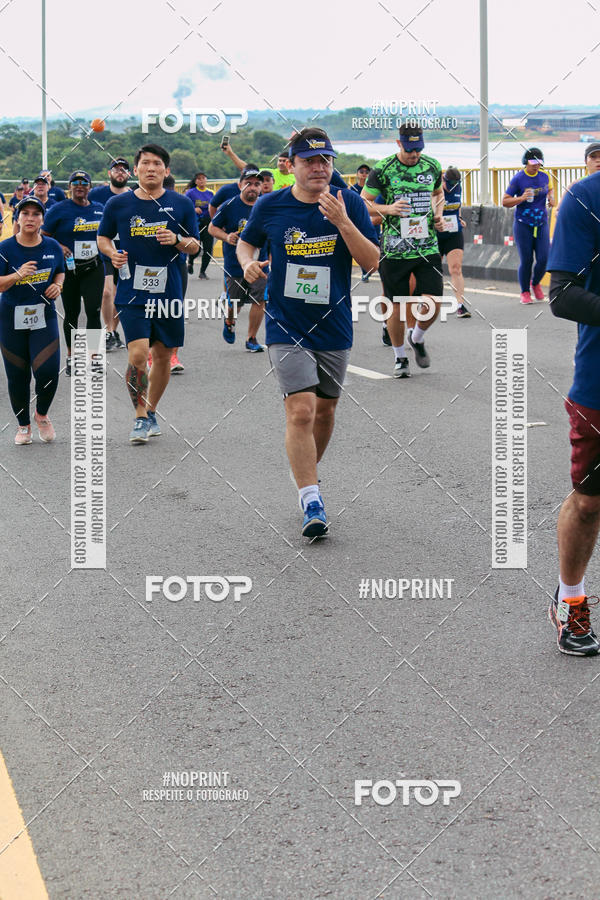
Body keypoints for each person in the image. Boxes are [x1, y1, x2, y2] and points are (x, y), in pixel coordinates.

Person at [237, 127, 379, 538]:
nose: (319, 167)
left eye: (325, 161)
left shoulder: (349, 202)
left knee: (326, 410)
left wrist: (343, 222)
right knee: (301, 410)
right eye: (309, 161)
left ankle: (307, 472)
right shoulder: (271, 204)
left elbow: (372, 262)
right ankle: (311, 498)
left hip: (334, 321)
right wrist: (247, 263)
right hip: (286, 322)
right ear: (292, 165)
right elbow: (246, 244)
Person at [97, 143, 199, 443]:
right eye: (145, 163)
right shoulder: (118, 204)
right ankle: (140, 416)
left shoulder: (181, 204)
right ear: (135, 170)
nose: (151, 168)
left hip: (169, 291)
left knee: (163, 356)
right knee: (139, 354)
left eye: (157, 164)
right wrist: (112, 253)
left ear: (166, 171)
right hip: (133, 291)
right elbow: (102, 237)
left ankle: (152, 411)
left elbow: (195, 246)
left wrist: (177, 239)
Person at [546, 171, 600, 656]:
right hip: (599, 385)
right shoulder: (586, 197)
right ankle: (570, 600)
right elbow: (562, 296)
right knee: (589, 503)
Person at [361, 124, 445, 378]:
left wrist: (438, 214)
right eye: (409, 150)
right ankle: (400, 357)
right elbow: (363, 203)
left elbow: (438, 194)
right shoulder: (383, 169)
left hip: (427, 247)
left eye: (418, 149)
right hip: (395, 250)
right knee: (396, 307)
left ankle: (416, 337)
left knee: (434, 302)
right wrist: (388, 209)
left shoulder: (432, 166)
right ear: (399, 144)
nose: (414, 154)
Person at [0, 196, 64, 444]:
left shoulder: (52, 246)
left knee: (49, 371)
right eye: (25, 213)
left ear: (42, 219)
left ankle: (42, 415)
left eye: (36, 214)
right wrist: (17, 275)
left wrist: (58, 285)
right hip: (11, 319)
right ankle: (23, 425)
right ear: (17, 218)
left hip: (43, 316)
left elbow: (60, 271)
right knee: (18, 376)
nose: (30, 218)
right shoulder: (5, 248)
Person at [42, 171, 104, 376]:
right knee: (72, 313)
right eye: (75, 182)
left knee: (93, 311)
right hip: (69, 269)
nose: (79, 185)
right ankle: (72, 357)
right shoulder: (58, 209)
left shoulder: (99, 209)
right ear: (69, 187)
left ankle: (94, 358)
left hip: (93, 267)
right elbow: (44, 237)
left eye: (84, 183)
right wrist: (59, 246)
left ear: (90, 187)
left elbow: (107, 234)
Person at [209, 165, 267, 352]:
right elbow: (212, 228)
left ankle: (251, 338)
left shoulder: (266, 205)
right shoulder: (229, 205)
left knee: (260, 300)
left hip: (260, 263)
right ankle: (229, 321)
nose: (253, 187)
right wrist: (226, 237)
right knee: (235, 303)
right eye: (248, 183)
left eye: (257, 184)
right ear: (240, 185)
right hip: (235, 264)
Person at [502, 148, 555, 304]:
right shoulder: (518, 179)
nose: (536, 166)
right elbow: (505, 201)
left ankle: (535, 283)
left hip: (541, 222)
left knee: (544, 258)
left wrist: (551, 198)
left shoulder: (545, 176)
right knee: (527, 260)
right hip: (523, 224)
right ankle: (525, 291)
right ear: (526, 162)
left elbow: (550, 189)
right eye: (533, 163)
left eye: (539, 163)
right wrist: (522, 198)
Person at [89, 158, 131, 351]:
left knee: (122, 294)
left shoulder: (134, 195)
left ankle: (113, 331)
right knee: (107, 292)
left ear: (129, 174)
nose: (120, 172)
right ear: (109, 173)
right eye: (116, 169)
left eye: (123, 170)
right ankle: (107, 330)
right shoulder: (97, 193)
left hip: (127, 251)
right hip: (106, 249)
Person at [438, 166, 470, 318]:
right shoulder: (434, 190)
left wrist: (460, 218)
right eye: (449, 184)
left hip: (453, 232)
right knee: (434, 271)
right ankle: (430, 303)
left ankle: (460, 305)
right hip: (436, 234)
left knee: (456, 268)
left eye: (455, 184)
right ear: (443, 180)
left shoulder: (458, 187)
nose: (452, 188)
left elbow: (457, 205)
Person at [184, 172, 214, 278]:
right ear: (196, 181)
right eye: (199, 179)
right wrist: (194, 209)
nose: (201, 180)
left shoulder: (211, 193)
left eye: (203, 178)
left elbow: (215, 206)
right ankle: (190, 262)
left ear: (206, 180)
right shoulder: (190, 193)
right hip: (196, 223)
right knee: (196, 247)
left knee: (208, 249)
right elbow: (184, 206)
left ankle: (202, 272)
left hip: (208, 223)